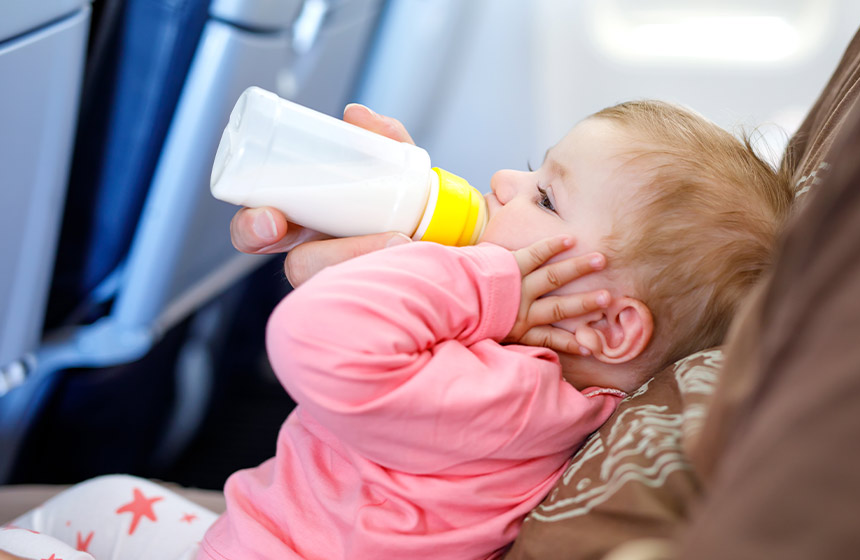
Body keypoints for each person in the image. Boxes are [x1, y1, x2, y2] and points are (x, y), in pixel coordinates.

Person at [0, 100, 790, 560]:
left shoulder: (513, 399)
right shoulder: (524, 380)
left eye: (546, 200)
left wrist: (478, 276)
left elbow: (313, 341)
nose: (504, 183)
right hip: (256, 536)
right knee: (104, 500)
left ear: (605, 323)